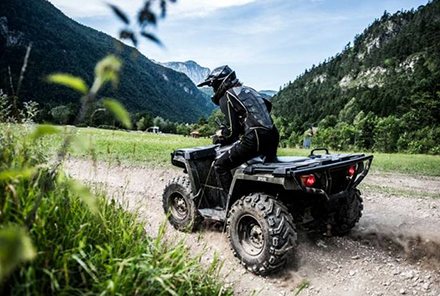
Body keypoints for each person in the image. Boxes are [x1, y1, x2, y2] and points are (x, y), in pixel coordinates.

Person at [197, 65, 279, 206]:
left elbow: (231, 133)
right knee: (264, 166)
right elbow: (267, 107)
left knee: (220, 165)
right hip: (272, 135)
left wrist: (221, 133)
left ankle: (232, 206)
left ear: (219, 83)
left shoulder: (227, 96)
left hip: (255, 138)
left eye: (213, 86)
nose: (214, 90)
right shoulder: (249, 90)